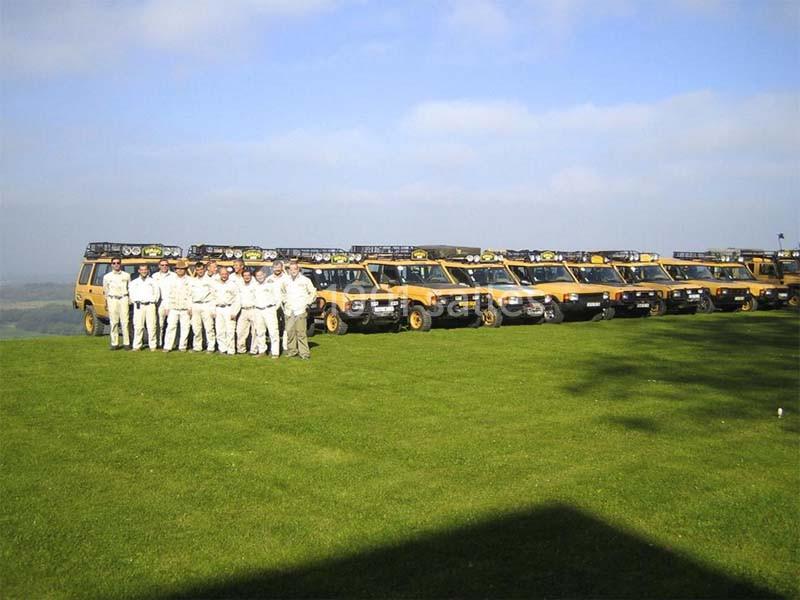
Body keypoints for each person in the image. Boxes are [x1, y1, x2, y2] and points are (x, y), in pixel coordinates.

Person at [281, 261, 316, 360]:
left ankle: (304, 353)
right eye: (291, 269)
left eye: (295, 269)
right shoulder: (285, 281)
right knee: (290, 332)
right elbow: (282, 292)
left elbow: (313, 292)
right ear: (288, 270)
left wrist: (307, 303)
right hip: (289, 310)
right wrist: (285, 301)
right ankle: (292, 351)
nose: (293, 271)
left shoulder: (305, 280)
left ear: (298, 269)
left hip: (300, 310)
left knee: (301, 333)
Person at [129, 264, 160, 351]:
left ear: (148, 270)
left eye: (145, 269)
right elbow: (131, 294)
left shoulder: (153, 281)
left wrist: (153, 301)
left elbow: (157, 293)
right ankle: (137, 346)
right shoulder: (134, 282)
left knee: (152, 326)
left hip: (150, 305)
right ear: (139, 271)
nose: (144, 271)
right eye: (142, 270)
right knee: (138, 326)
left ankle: (153, 346)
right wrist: (136, 301)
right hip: (139, 306)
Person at [163, 260, 192, 352]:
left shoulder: (190, 280)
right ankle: (167, 346)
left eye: (182, 269)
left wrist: (190, 307)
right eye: (178, 269)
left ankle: (182, 346)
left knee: (185, 328)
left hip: (185, 308)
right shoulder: (170, 280)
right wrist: (166, 307)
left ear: (185, 270)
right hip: (173, 307)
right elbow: (167, 294)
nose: (180, 270)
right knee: (170, 327)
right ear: (175, 270)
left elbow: (191, 295)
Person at [102, 257, 131, 350]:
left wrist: (129, 300)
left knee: (125, 322)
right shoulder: (107, 277)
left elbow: (129, 288)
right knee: (113, 322)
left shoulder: (126, 275)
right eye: (114, 263)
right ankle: (114, 343)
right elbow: (105, 290)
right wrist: (106, 301)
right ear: (111, 265)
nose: (116, 264)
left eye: (118, 263)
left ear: (120, 264)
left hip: (124, 298)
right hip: (112, 299)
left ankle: (127, 343)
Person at [253, 269, 281, 358]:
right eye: (257, 276)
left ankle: (275, 352)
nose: (259, 277)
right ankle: (262, 351)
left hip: (269, 309)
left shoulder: (271, 284)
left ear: (264, 275)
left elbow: (278, 298)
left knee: (273, 332)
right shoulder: (255, 286)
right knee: (260, 332)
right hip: (258, 310)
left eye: (261, 275)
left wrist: (273, 309)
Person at [213, 267, 240, 356]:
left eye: (225, 274)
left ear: (228, 274)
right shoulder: (215, 284)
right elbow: (212, 298)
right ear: (219, 274)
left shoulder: (233, 284)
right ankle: (222, 349)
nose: (224, 276)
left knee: (230, 330)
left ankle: (231, 350)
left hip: (229, 308)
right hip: (218, 308)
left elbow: (237, 299)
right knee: (220, 330)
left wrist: (234, 312)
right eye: (222, 274)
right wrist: (213, 310)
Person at [189, 262, 216, 353]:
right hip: (195, 305)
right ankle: (197, 346)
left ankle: (211, 347)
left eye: (201, 269)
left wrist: (212, 308)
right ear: (195, 270)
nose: (200, 271)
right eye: (198, 270)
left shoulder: (210, 280)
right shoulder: (193, 281)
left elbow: (213, 294)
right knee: (196, 328)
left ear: (204, 269)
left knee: (209, 327)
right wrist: (190, 307)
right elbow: (189, 295)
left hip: (206, 304)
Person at [152, 258, 176, 347]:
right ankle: (159, 343)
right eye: (162, 265)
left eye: (166, 265)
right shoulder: (154, 276)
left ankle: (172, 343)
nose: (164, 267)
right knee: (159, 324)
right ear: (159, 266)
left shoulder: (173, 275)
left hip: (170, 302)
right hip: (159, 302)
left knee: (172, 324)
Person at [267, 260, 289, 352]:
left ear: (281, 268)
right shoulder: (268, 279)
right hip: (273, 305)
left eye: (279, 268)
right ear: (272, 268)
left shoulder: (287, 278)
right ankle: (275, 346)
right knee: (273, 326)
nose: (277, 270)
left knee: (286, 325)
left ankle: (286, 346)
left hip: (285, 304)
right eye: (275, 268)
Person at [236, 270, 258, 354]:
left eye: (248, 275)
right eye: (245, 275)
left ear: (251, 276)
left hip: (253, 309)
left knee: (255, 331)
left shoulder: (255, 285)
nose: (247, 277)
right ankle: (241, 349)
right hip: (243, 310)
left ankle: (254, 350)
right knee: (240, 331)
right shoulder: (240, 285)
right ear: (242, 276)